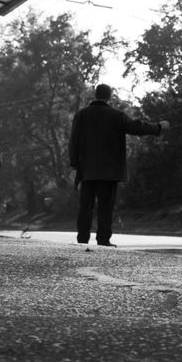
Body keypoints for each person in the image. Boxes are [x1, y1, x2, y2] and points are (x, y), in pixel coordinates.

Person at [68, 83, 170, 247]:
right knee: (105, 207)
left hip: (87, 169)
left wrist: (74, 162)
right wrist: (158, 128)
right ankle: (103, 240)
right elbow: (137, 127)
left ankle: (82, 239)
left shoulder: (81, 115)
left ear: (95, 95)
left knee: (85, 206)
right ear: (109, 97)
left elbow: (73, 140)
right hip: (110, 171)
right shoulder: (117, 115)